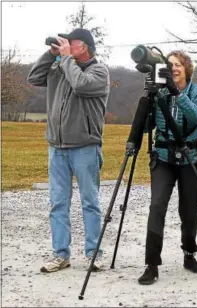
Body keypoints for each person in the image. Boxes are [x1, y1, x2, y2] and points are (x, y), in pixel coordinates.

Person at [27, 28, 110, 273]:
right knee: (58, 203)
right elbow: (33, 78)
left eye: (69, 43)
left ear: (82, 47)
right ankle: (60, 254)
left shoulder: (98, 71)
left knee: (90, 202)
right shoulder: (61, 67)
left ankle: (94, 253)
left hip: (85, 147)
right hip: (57, 147)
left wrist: (64, 59)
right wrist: (51, 53)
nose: (64, 46)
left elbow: (81, 85)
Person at [138, 50, 197, 285]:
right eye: (169, 65)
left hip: (192, 156)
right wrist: (149, 97)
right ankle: (151, 264)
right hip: (163, 156)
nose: (174, 69)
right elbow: (145, 126)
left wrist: (175, 92)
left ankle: (189, 253)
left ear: (187, 68)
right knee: (157, 206)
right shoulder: (159, 91)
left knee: (189, 210)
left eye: (178, 65)